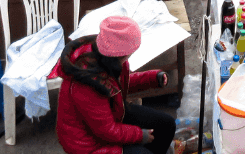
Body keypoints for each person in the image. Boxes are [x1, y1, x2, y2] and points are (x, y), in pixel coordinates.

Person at [53, 16, 175, 154]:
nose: (131, 54)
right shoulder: (86, 84)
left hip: (112, 114)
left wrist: (152, 78)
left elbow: (117, 86)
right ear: (122, 53)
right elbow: (106, 131)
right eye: (130, 52)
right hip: (88, 145)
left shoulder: (108, 55)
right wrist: (140, 135)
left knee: (166, 124)